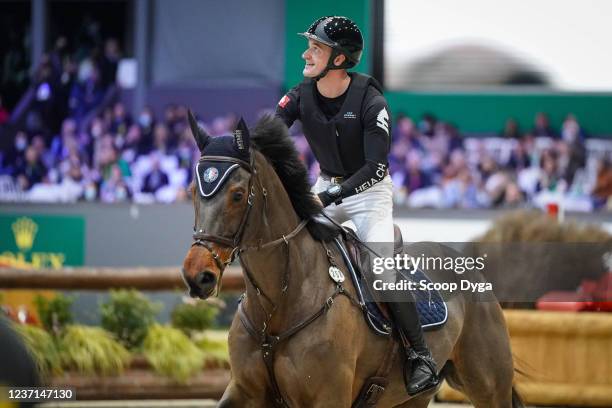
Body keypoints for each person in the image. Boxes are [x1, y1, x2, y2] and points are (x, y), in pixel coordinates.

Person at [275, 16, 438, 395]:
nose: (306, 53)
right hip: (325, 186)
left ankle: (420, 356)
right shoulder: (299, 94)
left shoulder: (371, 101)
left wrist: (328, 196)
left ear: (338, 59)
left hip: (369, 195)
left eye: (315, 47)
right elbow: (269, 130)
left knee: (380, 272)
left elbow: (375, 167)